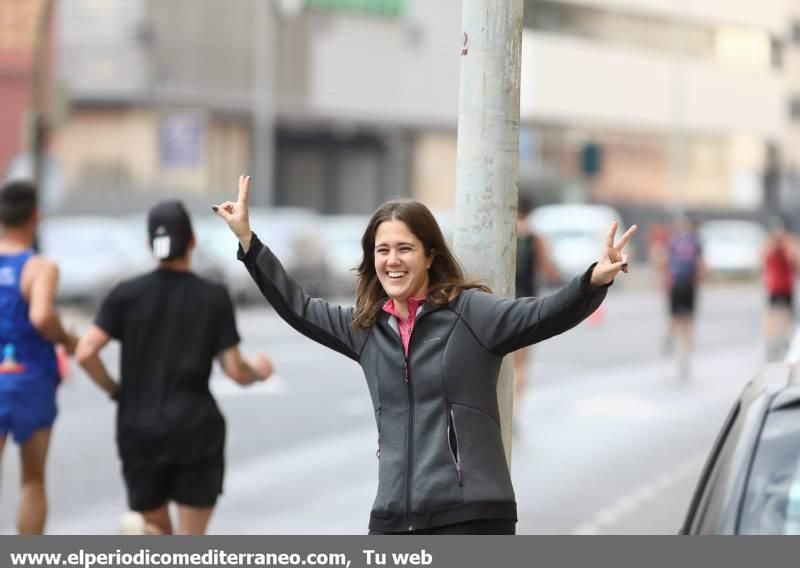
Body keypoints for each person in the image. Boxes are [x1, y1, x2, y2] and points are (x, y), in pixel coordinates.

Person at [214, 176, 637, 535]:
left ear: (430, 255)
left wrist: (592, 280)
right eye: (382, 250)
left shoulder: (472, 314)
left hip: (471, 516)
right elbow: (300, 308)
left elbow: (544, 314)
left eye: (405, 248)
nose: (392, 261)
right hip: (393, 518)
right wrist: (249, 244)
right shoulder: (365, 329)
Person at [75, 200, 273, 535]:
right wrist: (258, 371)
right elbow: (236, 371)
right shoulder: (212, 296)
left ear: (150, 245)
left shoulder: (125, 294)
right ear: (193, 241)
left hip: (138, 429)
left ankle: (148, 532)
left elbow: (84, 352)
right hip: (195, 431)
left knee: (156, 528)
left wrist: (117, 391)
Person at [0, 180, 79, 534]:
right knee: (32, 480)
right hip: (31, 379)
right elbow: (42, 316)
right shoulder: (39, 268)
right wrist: (67, 338)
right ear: (36, 216)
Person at [512, 196, 558, 419]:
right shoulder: (535, 237)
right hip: (527, 303)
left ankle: (502, 409)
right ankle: (515, 410)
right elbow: (549, 271)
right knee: (521, 362)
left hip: (501, 300)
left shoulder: (501, 233)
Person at [660, 214, 703, 379]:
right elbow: (701, 265)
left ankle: (673, 340)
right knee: (688, 321)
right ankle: (686, 351)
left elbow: (664, 261)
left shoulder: (673, 241)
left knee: (677, 318)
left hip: (678, 284)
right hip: (687, 285)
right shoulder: (695, 241)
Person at [762, 216, 797, 361]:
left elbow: (794, 261)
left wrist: (787, 244)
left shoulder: (790, 244)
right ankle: (771, 342)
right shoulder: (770, 244)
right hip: (774, 286)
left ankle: (783, 339)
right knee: (772, 314)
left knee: (787, 314)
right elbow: (764, 258)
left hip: (787, 286)